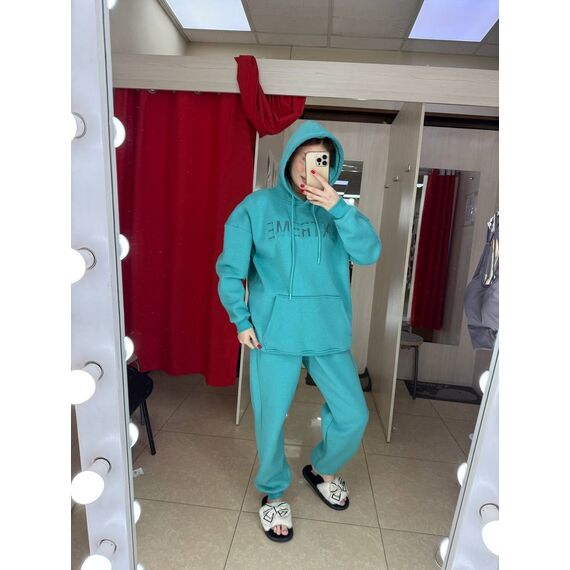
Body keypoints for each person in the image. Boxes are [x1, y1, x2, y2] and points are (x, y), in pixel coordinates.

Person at [215, 120, 381, 542]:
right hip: (273, 332)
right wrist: (241, 319)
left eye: (321, 159)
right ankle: (273, 493)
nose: (312, 167)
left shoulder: (338, 210)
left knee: (354, 414)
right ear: (290, 159)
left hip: (328, 331)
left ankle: (322, 468)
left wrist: (339, 208)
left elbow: (369, 252)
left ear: (332, 164)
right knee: (271, 419)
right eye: (305, 158)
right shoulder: (255, 207)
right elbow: (231, 271)